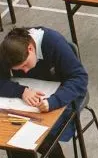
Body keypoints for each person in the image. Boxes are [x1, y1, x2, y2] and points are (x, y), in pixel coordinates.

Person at [0, 27, 88, 158]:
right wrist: (21, 91)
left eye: (25, 64)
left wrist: (53, 101)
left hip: (63, 96)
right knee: (12, 133)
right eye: (18, 69)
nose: (24, 71)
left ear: (30, 48)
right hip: (26, 101)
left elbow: (80, 78)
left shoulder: (53, 43)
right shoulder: (7, 52)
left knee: (34, 135)